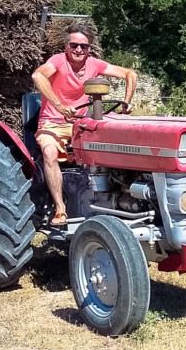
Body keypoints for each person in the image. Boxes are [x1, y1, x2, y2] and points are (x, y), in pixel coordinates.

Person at [31, 23, 137, 226]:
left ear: (89, 49)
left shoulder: (94, 64)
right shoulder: (58, 61)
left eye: (84, 46)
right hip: (52, 123)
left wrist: (127, 102)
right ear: (66, 46)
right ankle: (60, 209)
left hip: (79, 124)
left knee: (112, 147)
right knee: (50, 152)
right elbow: (38, 75)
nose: (79, 50)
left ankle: (115, 202)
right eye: (74, 45)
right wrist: (60, 106)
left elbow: (130, 74)